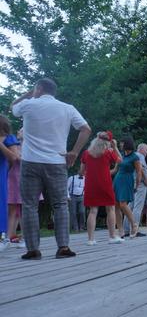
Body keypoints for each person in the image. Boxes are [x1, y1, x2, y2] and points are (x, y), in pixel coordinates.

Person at [10, 78, 91, 260]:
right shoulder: (67, 108)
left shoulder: (29, 105)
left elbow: (13, 107)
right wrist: (74, 152)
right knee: (61, 204)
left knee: (30, 205)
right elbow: (86, 129)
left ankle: (33, 250)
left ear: (39, 88)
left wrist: (29, 94)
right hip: (56, 162)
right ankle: (63, 247)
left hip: (30, 162)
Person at [81, 132, 123, 245]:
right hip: (105, 184)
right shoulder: (108, 152)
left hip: (90, 185)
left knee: (93, 211)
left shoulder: (86, 153)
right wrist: (115, 148)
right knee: (110, 209)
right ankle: (112, 236)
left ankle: (90, 239)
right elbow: (121, 161)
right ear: (108, 142)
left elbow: (81, 171)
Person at [113, 137, 141, 238]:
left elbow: (138, 172)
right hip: (117, 180)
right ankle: (121, 230)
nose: (120, 145)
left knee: (123, 204)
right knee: (116, 205)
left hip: (127, 180)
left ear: (127, 144)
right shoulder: (121, 156)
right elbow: (115, 170)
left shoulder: (135, 157)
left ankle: (134, 224)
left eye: (122, 143)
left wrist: (136, 184)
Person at [0, 116, 20, 247]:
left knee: (1, 205)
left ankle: (2, 236)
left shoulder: (9, 138)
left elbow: (14, 157)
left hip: (1, 175)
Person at [123, 143, 147, 237]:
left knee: (130, 206)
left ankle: (126, 229)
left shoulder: (131, 156)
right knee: (138, 207)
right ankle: (134, 230)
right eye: (146, 150)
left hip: (132, 182)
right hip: (140, 184)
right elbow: (142, 169)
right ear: (141, 149)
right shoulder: (140, 156)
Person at [7, 128, 25, 247]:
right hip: (13, 177)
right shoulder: (14, 143)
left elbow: (22, 159)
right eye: (20, 130)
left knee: (25, 209)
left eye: (23, 130)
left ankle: (25, 237)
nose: (20, 132)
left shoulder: (30, 145)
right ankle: (8, 237)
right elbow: (16, 158)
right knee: (12, 208)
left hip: (25, 178)